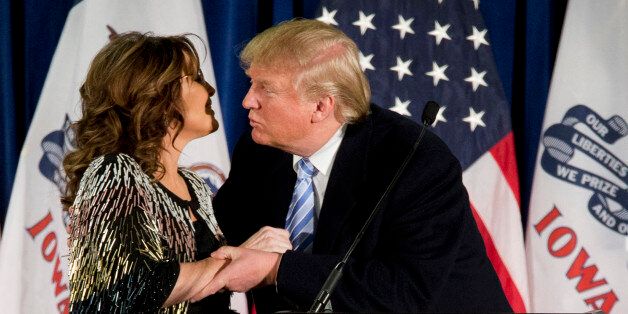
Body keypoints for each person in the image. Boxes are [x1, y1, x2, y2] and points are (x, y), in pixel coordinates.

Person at [206, 19, 513, 313]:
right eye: (251, 83)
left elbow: (403, 290)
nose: (247, 101)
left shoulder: (415, 161)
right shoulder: (260, 150)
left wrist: (276, 268)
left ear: (321, 106)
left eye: (266, 89)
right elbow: (221, 236)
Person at [62, 32, 289, 313]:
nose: (210, 90)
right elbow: (128, 287)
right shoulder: (114, 170)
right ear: (157, 93)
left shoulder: (193, 185)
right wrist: (234, 260)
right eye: (195, 78)